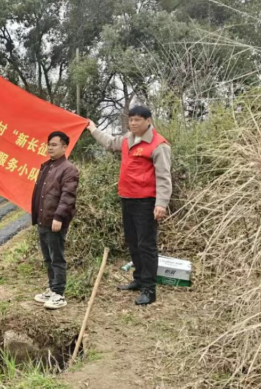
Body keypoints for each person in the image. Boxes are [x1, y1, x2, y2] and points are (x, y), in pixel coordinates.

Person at [87, 105, 172, 306]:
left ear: (148, 121)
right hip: (127, 198)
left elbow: (164, 177)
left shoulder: (158, 145)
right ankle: (139, 279)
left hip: (146, 202)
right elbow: (110, 143)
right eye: (131, 120)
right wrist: (92, 129)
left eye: (137, 120)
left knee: (146, 245)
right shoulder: (127, 139)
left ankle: (149, 289)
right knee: (132, 241)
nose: (133, 123)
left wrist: (161, 204)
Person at [32, 131, 79, 310]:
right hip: (43, 219)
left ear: (64, 147)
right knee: (47, 257)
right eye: (48, 144)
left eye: (54, 145)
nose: (50, 148)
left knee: (57, 258)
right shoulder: (47, 166)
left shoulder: (68, 169)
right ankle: (52, 288)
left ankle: (59, 293)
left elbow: (68, 196)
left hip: (55, 221)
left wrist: (59, 216)